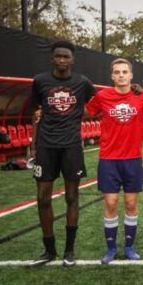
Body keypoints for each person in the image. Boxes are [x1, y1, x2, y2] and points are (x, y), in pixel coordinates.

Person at [29, 40, 97, 267]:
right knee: (42, 198)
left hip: (71, 145)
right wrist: (33, 144)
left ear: (72, 59)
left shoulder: (82, 82)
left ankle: (69, 250)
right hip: (46, 146)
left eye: (65, 57)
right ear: (52, 58)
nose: (61, 60)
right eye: (58, 56)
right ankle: (49, 250)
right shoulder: (40, 81)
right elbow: (36, 113)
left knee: (71, 197)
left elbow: (96, 105)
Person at [85, 58, 143, 264]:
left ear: (131, 75)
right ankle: (111, 248)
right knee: (111, 203)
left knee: (131, 204)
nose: (121, 75)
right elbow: (88, 111)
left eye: (124, 72)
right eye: (117, 72)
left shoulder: (142, 96)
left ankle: (129, 247)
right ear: (112, 76)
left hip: (133, 158)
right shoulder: (102, 96)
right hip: (108, 158)